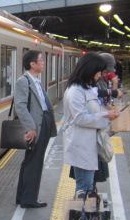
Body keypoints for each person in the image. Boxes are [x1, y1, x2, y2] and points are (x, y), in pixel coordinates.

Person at [63, 54, 119, 197]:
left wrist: (108, 114)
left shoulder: (86, 88)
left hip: (88, 144)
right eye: (98, 72)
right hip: (80, 144)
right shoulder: (75, 91)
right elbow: (80, 118)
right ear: (89, 70)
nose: (100, 76)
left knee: (87, 186)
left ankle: (86, 215)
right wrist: (105, 116)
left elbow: (93, 111)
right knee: (84, 187)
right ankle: (81, 216)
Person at [14, 50, 57, 208]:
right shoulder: (23, 81)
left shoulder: (35, 80)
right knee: (34, 162)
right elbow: (20, 107)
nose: (43, 63)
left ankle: (23, 196)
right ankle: (29, 199)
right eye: (41, 60)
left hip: (43, 123)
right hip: (36, 126)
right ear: (32, 64)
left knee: (31, 161)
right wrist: (31, 128)